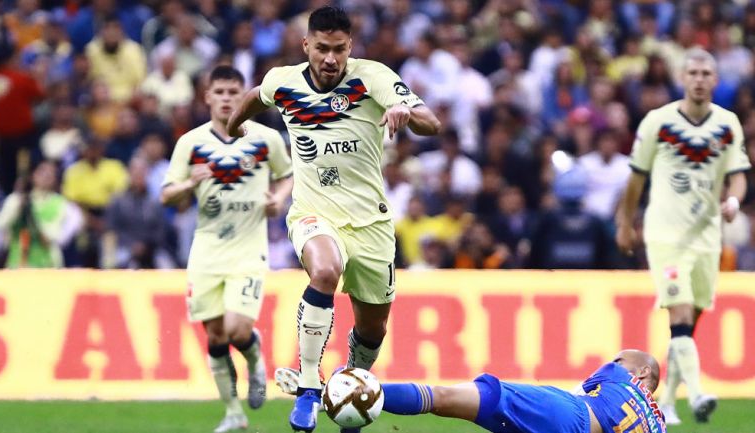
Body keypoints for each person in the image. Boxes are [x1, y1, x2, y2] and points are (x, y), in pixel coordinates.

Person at [225, 6, 441, 432]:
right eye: (321, 48)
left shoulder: (371, 76)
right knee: (325, 271)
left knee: (373, 329)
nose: (330, 58)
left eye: (338, 49)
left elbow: (431, 123)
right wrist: (234, 127)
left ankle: (351, 394)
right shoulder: (283, 81)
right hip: (313, 213)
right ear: (306, 45)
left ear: (350, 47)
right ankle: (308, 388)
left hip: (372, 226)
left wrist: (404, 111)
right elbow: (254, 96)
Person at [616, 48, 751, 425]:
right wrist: (626, 222)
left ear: (715, 80)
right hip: (666, 234)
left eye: (706, 72)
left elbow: (738, 172)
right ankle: (698, 392)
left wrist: (735, 199)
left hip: (707, 236)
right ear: (682, 78)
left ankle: (669, 403)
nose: (699, 78)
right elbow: (636, 177)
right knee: (679, 314)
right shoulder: (658, 122)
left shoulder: (727, 124)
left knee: (688, 325)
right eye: (692, 72)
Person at [161, 65, 293, 433]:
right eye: (219, 92)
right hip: (205, 251)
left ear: (244, 97)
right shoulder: (191, 142)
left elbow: (288, 175)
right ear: (207, 97)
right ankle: (233, 413)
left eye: (234, 92)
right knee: (215, 336)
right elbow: (166, 194)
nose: (226, 99)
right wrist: (190, 182)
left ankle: (254, 360)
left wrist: (278, 199)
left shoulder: (265, 139)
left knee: (237, 329)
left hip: (249, 249)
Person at [379, 349, 667, 433]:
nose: (613, 362)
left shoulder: (619, 376)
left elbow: (575, 394)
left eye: (619, 358)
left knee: (444, 398)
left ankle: (367, 390)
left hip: (571, 415)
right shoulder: (659, 425)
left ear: (642, 372)